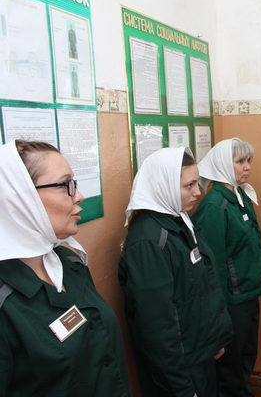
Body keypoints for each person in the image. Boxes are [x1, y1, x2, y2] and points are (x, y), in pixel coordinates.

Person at [0, 140, 130, 396]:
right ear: (20, 198)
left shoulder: (70, 261)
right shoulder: (5, 301)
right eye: (64, 185)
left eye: (75, 184)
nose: (79, 196)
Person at [119, 147, 233, 397]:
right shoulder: (149, 242)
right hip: (180, 371)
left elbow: (203, 287)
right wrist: (181, 387)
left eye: (197, 183)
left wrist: (215, 339)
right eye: (189, 185)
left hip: (200, 353)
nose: (198, 192)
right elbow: (157, 328)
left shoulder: (180, 220)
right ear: (165, 186)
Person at [193, 138, 261, 397]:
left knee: (246, 353)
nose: (247, 167)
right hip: (232, 301)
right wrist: (220, 311)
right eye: (239, 161)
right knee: (231, 366)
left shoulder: (239, 195)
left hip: (248, 292)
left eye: (248, 161)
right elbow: (212, 266)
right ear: (223, 165)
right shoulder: (215, 206)